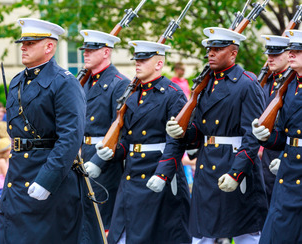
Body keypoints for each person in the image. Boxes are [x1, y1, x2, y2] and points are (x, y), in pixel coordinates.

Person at [166, 27, 268, 243]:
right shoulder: (205, 84)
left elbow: (252, 137)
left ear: (233, 53)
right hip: (207, 166)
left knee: (245, 235)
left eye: (218, 49)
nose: (211, 53)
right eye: (210, 49)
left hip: (235, 164)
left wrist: (236, 173)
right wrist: (183, 132)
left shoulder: (246, 84)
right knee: (202, 234)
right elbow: (200, 132)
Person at [91, 41, 191, 243]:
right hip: (133, 175)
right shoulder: (133, 95)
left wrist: (163, 173)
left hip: (159, 173)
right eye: (137, 59)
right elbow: (127, 139)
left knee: (159, 236)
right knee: (122, 236)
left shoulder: (172, 94)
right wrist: (110, 153)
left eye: (144, 60)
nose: (138, 63)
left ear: (159, 64)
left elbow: (177, 141)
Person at [0, 18, 86, 243]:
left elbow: (70, 137)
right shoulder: (18, 81)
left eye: (31, 42)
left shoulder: (64, 82)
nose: (23, 47)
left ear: (49, 47)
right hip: (18, 175)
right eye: (23, 42)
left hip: (47, 175)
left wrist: (48, 179)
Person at [251, 29, 302, 243]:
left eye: (298, 51)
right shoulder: (290, 86)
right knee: (274, 235)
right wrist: (265, 136)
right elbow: (283, 135)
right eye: (290, 50)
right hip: (289, 171)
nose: (291, 53)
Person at [78, 29, 129, 232]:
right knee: (84, 220)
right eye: (85, 49)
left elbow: (117, 128)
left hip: (104, 160)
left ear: (106, 52)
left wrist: (99, 161)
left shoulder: (119, 83)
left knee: (103, 224)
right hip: (82, 155)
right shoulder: (85, 81)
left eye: (92, 49)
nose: (85, 53)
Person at [259, 34, 290, 206]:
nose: (270, 58)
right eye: (269, 54)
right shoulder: (268, 81)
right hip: (266, 153)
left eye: (276, 54)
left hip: (285, 150)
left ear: (288, 54)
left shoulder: (292, 83)